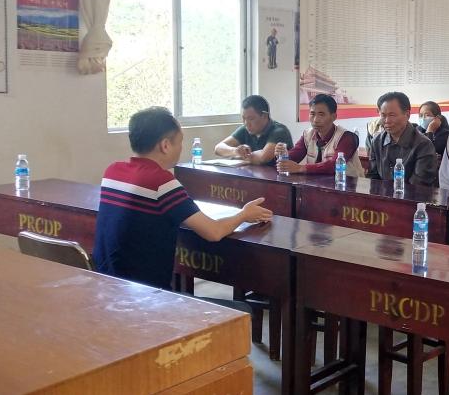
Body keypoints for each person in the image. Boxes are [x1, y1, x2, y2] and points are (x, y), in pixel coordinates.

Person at [94, 107, 273, 290]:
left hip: (106, 285)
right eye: (180, 142)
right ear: (165, 145)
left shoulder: (112, 171)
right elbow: (213, 232)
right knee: (240, 306)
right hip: (144, 294)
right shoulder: (161, 182)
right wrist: (244, 214)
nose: (181, 148)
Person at [278, 94, 363, 177]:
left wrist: (301, 168)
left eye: (321, 114)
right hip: (318, 184)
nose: (315, 120)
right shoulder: (308, 135)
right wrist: (282, 155)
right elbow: (294, 156)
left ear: (334, 117)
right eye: (312, 114)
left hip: (346, 184)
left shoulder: (347, 137)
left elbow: (334, 165)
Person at [366, 92, 439, 187]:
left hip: (412, 195)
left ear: (407, 115)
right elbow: (373, 179)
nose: (387, 121)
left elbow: (418, 186)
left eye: (392, 115)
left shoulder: (423, 145)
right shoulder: (377, 141)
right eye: (383, 115)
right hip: (382, 195)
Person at [214, 95, 294, 166]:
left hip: (277, 177)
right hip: (251, 176)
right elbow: (218, 148)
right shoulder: (245, 129)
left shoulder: (279, 131)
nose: (246, 123)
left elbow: (263, 158)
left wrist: (237, 157)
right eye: (244, 118)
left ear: (264, 116)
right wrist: (235, 151)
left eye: (251, 118)